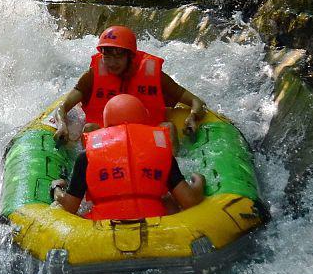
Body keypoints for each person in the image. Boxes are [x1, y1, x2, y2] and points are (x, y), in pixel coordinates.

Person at [52, 93, 205, 220]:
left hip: (103, 228)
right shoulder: (161, 153)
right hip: (154, 223)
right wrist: (199, 181)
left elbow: (69, 207)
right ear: (144, 124)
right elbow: (189, 201)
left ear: (106, 126)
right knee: (169, 201)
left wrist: (57, 189)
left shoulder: (86, 157)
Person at [53, 25, 208, 144]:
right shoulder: (91, 77)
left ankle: (173, 178)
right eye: (107, 57)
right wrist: (61, 125)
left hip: (147, 139)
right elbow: (62, 107)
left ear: (130, 56)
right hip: (107, 141)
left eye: (118, 57)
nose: (112, 63)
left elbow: (196, 101)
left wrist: (192, 117)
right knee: (89, 129)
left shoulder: (155, 77)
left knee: (168, 127)